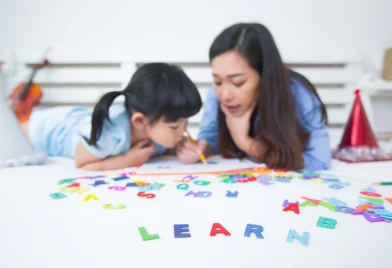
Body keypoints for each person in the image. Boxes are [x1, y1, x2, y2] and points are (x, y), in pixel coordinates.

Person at [176, 23, 331, 171]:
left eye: (238, 82)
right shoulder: (215, 93)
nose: (225, 95)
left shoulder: (298, 93)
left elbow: (319, 160)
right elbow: (211, 138)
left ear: (265, 76)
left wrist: (246, 143)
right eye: (217, 81)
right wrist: (201, 149)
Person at [23, 63, 202, 170]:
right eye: (174, 127)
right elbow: (84, 164)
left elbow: (163, 147)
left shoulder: (154, 127)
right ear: (139, 121)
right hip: (46, 129)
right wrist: (127, 160)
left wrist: (180, 149)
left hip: (75, 118)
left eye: (186, 123)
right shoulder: (109, 133)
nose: (183, 131)